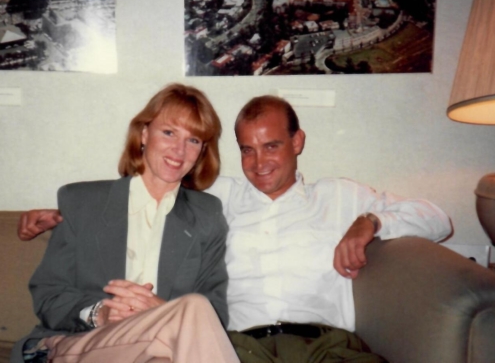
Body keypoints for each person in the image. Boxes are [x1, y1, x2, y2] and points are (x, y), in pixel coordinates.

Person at [19, 95, 452, 362]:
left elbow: (436, 217)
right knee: (192, 310)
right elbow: (138, 190)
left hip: (328, 345)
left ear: (297, 142)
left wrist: (371, 221)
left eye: (272, 146)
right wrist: (61, 212)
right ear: (145, 133)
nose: (258, 162)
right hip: (246, 349)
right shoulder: (219, 200)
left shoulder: (341, 195)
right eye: (247, 149)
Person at [12, 83, 240, 363]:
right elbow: (48, 295)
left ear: (202, 151)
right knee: (192, 307)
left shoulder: (207, 216)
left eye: (193, 140)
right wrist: (100, 313)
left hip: (156, 350)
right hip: (80, 343)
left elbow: (214, 312)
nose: (179, 150)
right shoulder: (82, 201)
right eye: (169, 132)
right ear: (144, 133)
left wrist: (161, 312)